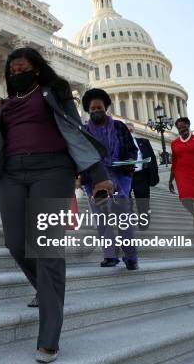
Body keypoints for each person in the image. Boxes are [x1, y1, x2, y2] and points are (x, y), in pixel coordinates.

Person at [0, 48, 112, 363]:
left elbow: (75, 133)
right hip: (13, 173)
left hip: (53, 170)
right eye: (11, 71)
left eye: (21, 67)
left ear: (37, 69)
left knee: (47, 249)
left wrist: (98, 176)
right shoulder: (6, 104)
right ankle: (44, 287)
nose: (16, 73)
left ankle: (49, 337)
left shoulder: (54, 93)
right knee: (14, 242)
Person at [81, 89, 139, 269]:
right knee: (102, 218)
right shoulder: (83, 131)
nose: (96, 110)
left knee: (123, 218)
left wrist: (129, 162)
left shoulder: (119, 127)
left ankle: (131, 257)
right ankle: (110, 256)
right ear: (88, 110)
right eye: (93, 108)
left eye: (99, 107)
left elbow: (131, 149)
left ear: (105, 108)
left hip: (119, 177)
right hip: (95, 180)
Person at [126, 123, 159, 230]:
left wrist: (154, 176)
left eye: (131, 129)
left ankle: (144, 221)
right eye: (127, 130)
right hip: (126, 176)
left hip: (141, 174)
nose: (130, 131)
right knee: (126, 199)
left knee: (143, 200)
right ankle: (128, 219)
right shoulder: (120, 144)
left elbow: (152, 159)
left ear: (134, 130)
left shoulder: (144, 142)